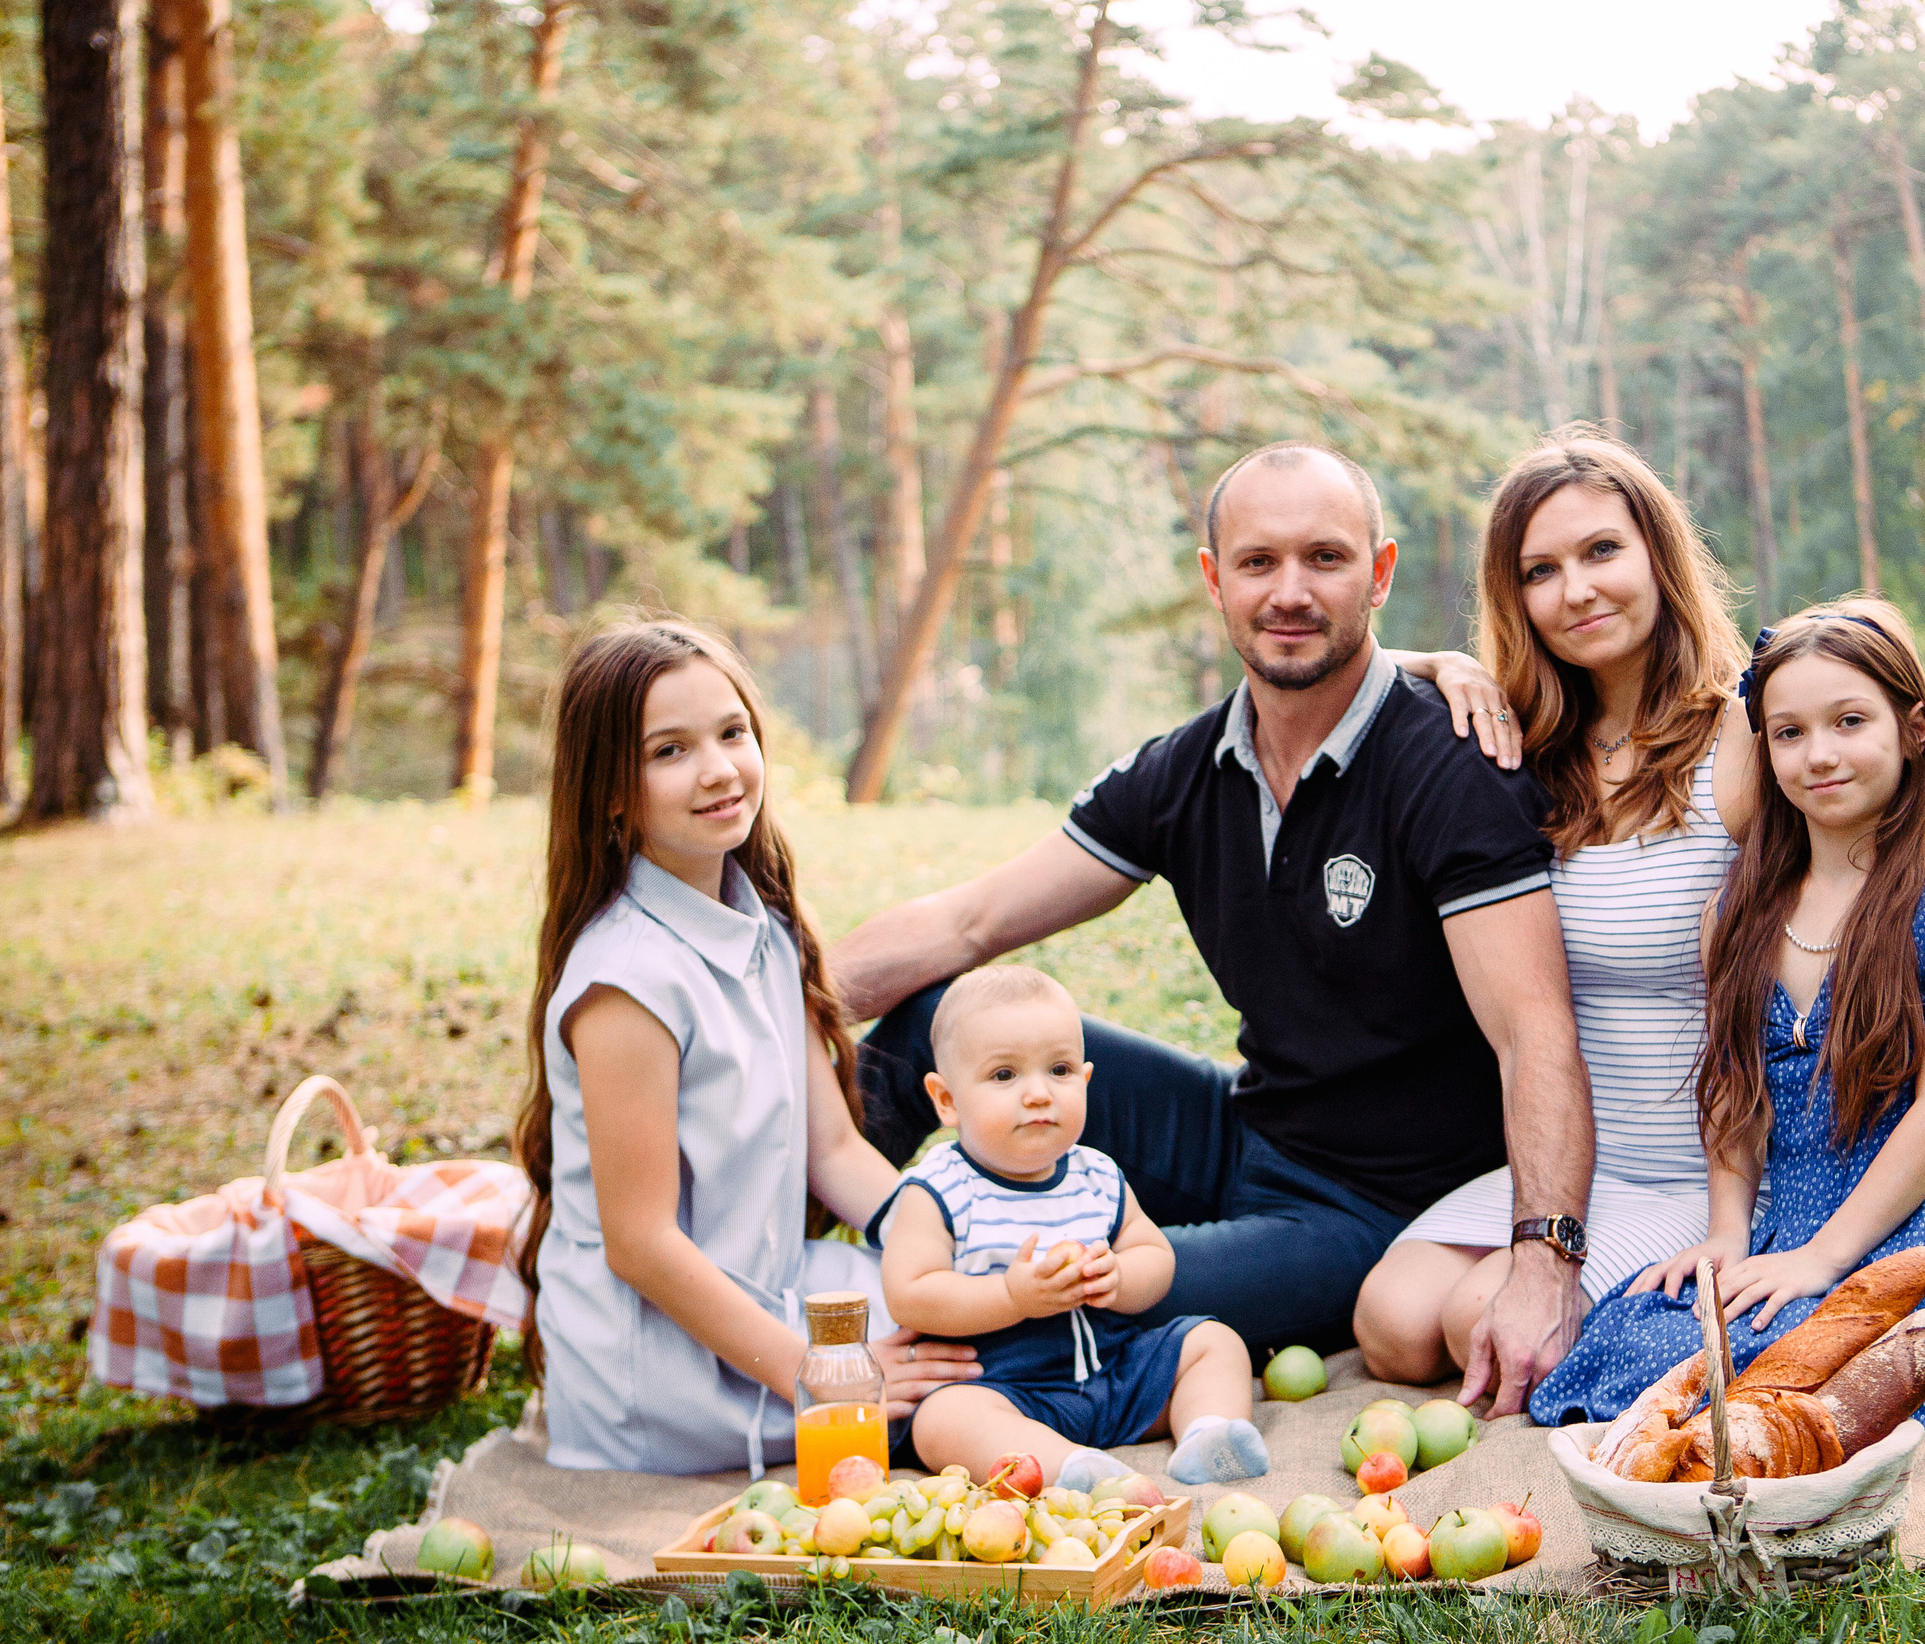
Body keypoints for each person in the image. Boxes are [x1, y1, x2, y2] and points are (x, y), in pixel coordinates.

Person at [832, 441, 1594, 1417]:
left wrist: (1545, 1258)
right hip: (1243, 1127)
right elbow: (968, 921)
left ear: (1380, 572)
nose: (1290, 591)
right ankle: (772, 1288)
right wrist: (750, 1023)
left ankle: (892, 1368)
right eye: (1257, 562)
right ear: (1213, 579)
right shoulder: (1183, 771)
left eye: (1324, 558)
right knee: (922, 1027)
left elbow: (1536, 1035)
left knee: (1067, 1292)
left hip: (1372, 1206)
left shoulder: (1449, 761)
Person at [1362, 427, 1925, 1391]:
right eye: (1541, 570)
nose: (1577, 589)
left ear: (1659, 557)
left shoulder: (1749, 735)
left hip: (1703, 1162)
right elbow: (1355, 676)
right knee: (1389, 1323)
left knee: (1477, 1327)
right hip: (1574, 1156)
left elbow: (1876, 915)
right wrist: (1435, 664)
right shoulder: (1518, 742)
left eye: (1601, 551)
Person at [1528, 599, 1925, 1429]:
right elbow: (1732, 1093)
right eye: (1790, 732)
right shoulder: (1735, 914)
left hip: (1897, 1237)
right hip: (1777, 1229)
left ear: (1914, 730)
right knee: (1643, 1337)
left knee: (1798, 1371)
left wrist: (1822, 1259)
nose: (1820, 754)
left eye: (1849, 721)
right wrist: (1728, 1233)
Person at [511, 621, 981, 1476]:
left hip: (773, 1287)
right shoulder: (627, 982)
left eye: (731, 732)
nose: (720, 768)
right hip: (663, 1365)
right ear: (611, 791)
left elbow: (834, 1148)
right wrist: (823, 1376)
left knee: (986, 1325)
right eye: (670, 750)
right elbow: (642, 1244)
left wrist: (955, 1245)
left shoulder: (756, 923)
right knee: (969, 1396)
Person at [874, 966, 1270, 1490]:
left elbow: (1153, 1252)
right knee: (943, 1421)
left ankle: (1209, 1433)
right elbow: (909, 1293)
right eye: (1004, 1075)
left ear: (1085, 1081)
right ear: (946, 1100)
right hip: (1004, 1389)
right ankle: (1065, 1470)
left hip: (1111, 1374)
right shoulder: (939, 1190)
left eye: (1058, 1070)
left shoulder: (1096, 1174)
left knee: (1212, 1342)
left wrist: (1120, 1276)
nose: (1038, 1093)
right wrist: (1011, 1297)